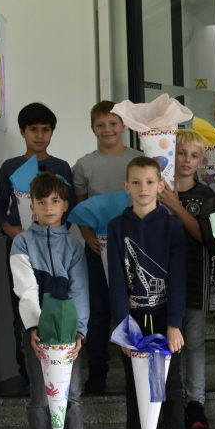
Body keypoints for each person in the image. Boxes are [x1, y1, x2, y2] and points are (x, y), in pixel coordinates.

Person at [108, 156, 190, 429]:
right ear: (126, 186)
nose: (143, 188)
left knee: (172, 385)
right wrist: (123, 328)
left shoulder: (172, 227)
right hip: (134, 322)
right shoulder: (117, 227)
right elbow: (117, 280)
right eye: (137, 182)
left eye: (150, 182)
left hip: (165, 319)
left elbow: (178, 278)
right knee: (135, 386)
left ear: (160, 186)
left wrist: (174, 324)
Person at [10, 173, 89, 429]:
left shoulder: (73, 244)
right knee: (40, 396)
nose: (48, 207)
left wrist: (79, 332)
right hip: (36, 332)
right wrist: (34, 328)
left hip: (68, 331)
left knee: (72, 394)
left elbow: (80, 290)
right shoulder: (22, 242)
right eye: (41, 202)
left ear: (65, 205)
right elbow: (26, 289)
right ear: (32, 206)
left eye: (55, 201)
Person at [0, 102, 76, 391]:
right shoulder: (10, 167)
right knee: (23, 307)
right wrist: (11, 231)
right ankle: (28, 374)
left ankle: (60, 367)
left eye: (45, 130)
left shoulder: (61, 167)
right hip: (20, 249)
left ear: (52, 132)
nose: (40, 136)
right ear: (22, 132)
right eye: (33, 130)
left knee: (57, 301)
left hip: (55, 250)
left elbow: (70, 208)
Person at [72, 101, 139, 395]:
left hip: (133, 247)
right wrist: (86, 235)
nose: (107, 129)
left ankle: (134, 366)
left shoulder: (137, 159)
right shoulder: (84, 165)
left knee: (132, 306)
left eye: (113, 123)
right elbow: (80, 206)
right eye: (101, 125)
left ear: (123, 126)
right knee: (98, 308)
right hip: (97, 247)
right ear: (92, 129)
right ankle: (97, 369)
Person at [158, 129, 215, 429]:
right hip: (161, 282)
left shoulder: (205, 195)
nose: (186, 160)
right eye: (180, 153)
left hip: (194, 278)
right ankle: (170, 401)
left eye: (194, 155)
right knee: (165, 343)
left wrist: (176, 205)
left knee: (193, 343)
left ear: (201, 161)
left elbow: (204, 235)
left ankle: (195, 402)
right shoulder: (156, 189)